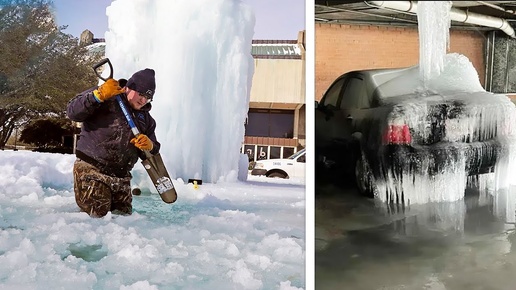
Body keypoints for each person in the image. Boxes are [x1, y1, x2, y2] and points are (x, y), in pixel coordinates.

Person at [66, 68, 161, 217]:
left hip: (122, 178)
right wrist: (97, 96)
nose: (143, 100)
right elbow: (72, 112)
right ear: (129, 87)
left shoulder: (147, 120)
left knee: (124, 223)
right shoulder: (107, 94)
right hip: (92, 170)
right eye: (141, 94)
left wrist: (150, 145)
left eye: (148, 98)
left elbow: (153, 150)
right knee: (96, 219)